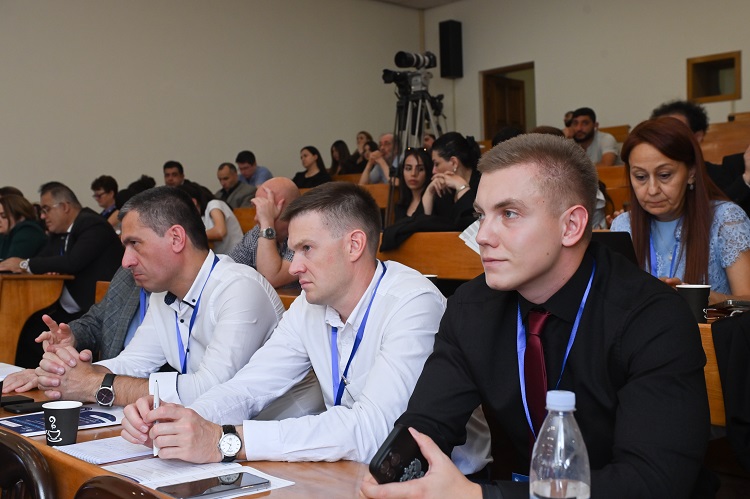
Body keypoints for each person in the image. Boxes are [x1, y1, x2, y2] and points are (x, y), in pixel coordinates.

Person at [361, 133, 711, 498]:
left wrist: (482, 497)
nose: (482, 236)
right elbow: (427, 424)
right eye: (481, 215)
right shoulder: (470, 308)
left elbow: (653, 481)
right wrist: (391, 478)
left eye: (509, 214)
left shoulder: (653, 318)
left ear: (571, 226)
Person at [119, 183, 488, 470]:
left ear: (354, 245)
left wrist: (224, 441)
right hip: (349, 469)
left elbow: (375, 432)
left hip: (444, 482)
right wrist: (180, 420)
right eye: (292, 251)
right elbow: (250, 386)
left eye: (306, 249)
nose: (293, 267)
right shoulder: (310, 306)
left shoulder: (413, 302)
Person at [34, 186, 285, 407]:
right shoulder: (164, 292)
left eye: (135, 243)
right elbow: (133, 362)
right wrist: (63, 374)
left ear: (176, 238)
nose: (126, 261)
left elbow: (212, 390)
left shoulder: (240, 288)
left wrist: (94, 384)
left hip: (266, 437)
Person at [610, 117, 750, 304]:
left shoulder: (726, 219)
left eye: (664, 175)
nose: (652, 190)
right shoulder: (623, 225)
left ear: (691, 172)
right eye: (640, 177)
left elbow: (747, 300)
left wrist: (697, 297)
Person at [0, 182, 123, 368]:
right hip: (63, 308)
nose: (42, 216)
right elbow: (42, 259)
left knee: (32, 336)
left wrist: (24, 264)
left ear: (65, 207)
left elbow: (72, 262)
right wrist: (40, 265)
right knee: (27, 330)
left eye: (46, 209)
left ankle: (49, 377)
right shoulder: (58, 233)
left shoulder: (92, 224)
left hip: (91, 310)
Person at [2, 266, 145, 393]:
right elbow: (97, 321)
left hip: (136, 396)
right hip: (103, 389)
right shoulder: (126, 274)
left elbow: (142, 365)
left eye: (135, 246)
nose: (126, 261)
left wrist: (82, 378)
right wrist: (74, 337)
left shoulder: (153, 287)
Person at [651, 99, 750, 216]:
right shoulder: (647, 178)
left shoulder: (721, 174)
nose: (665, 141)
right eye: (659, 134)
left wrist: (746, 178)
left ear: (697, 137)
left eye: (674, 133)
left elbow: (725, 213)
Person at [229, 177, 301, 288]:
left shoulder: (305, 235)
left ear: (283, 208)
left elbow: (270, 279)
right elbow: (228, 271)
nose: (256, 218)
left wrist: (267, 222)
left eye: (264, 209)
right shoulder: (256, 233)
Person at [421, 131, 481, 231]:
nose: (433, 171)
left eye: (437, 164)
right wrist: (429, 193)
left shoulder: (483, 184)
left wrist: (462, 187)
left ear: (454, 162)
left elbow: (474, 229)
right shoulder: (442, 189)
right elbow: (419, 226)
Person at [177, 183, 243, 256]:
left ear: (193, 202)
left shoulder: (214, 204)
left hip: (238, 256)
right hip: (224, 258)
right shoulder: (201, 218)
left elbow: (220, 232)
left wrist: (190, 235)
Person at [0, 194, 46, 259]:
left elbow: (12, 262)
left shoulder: (29, 230)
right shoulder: (4, 234)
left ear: (21, 217)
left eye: (3, 216)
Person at [394, 147, 433, 221]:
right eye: (408, 168)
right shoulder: (400, 206)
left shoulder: (434, 202)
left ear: (428, 172)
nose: (413, 174)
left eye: (420, 169)